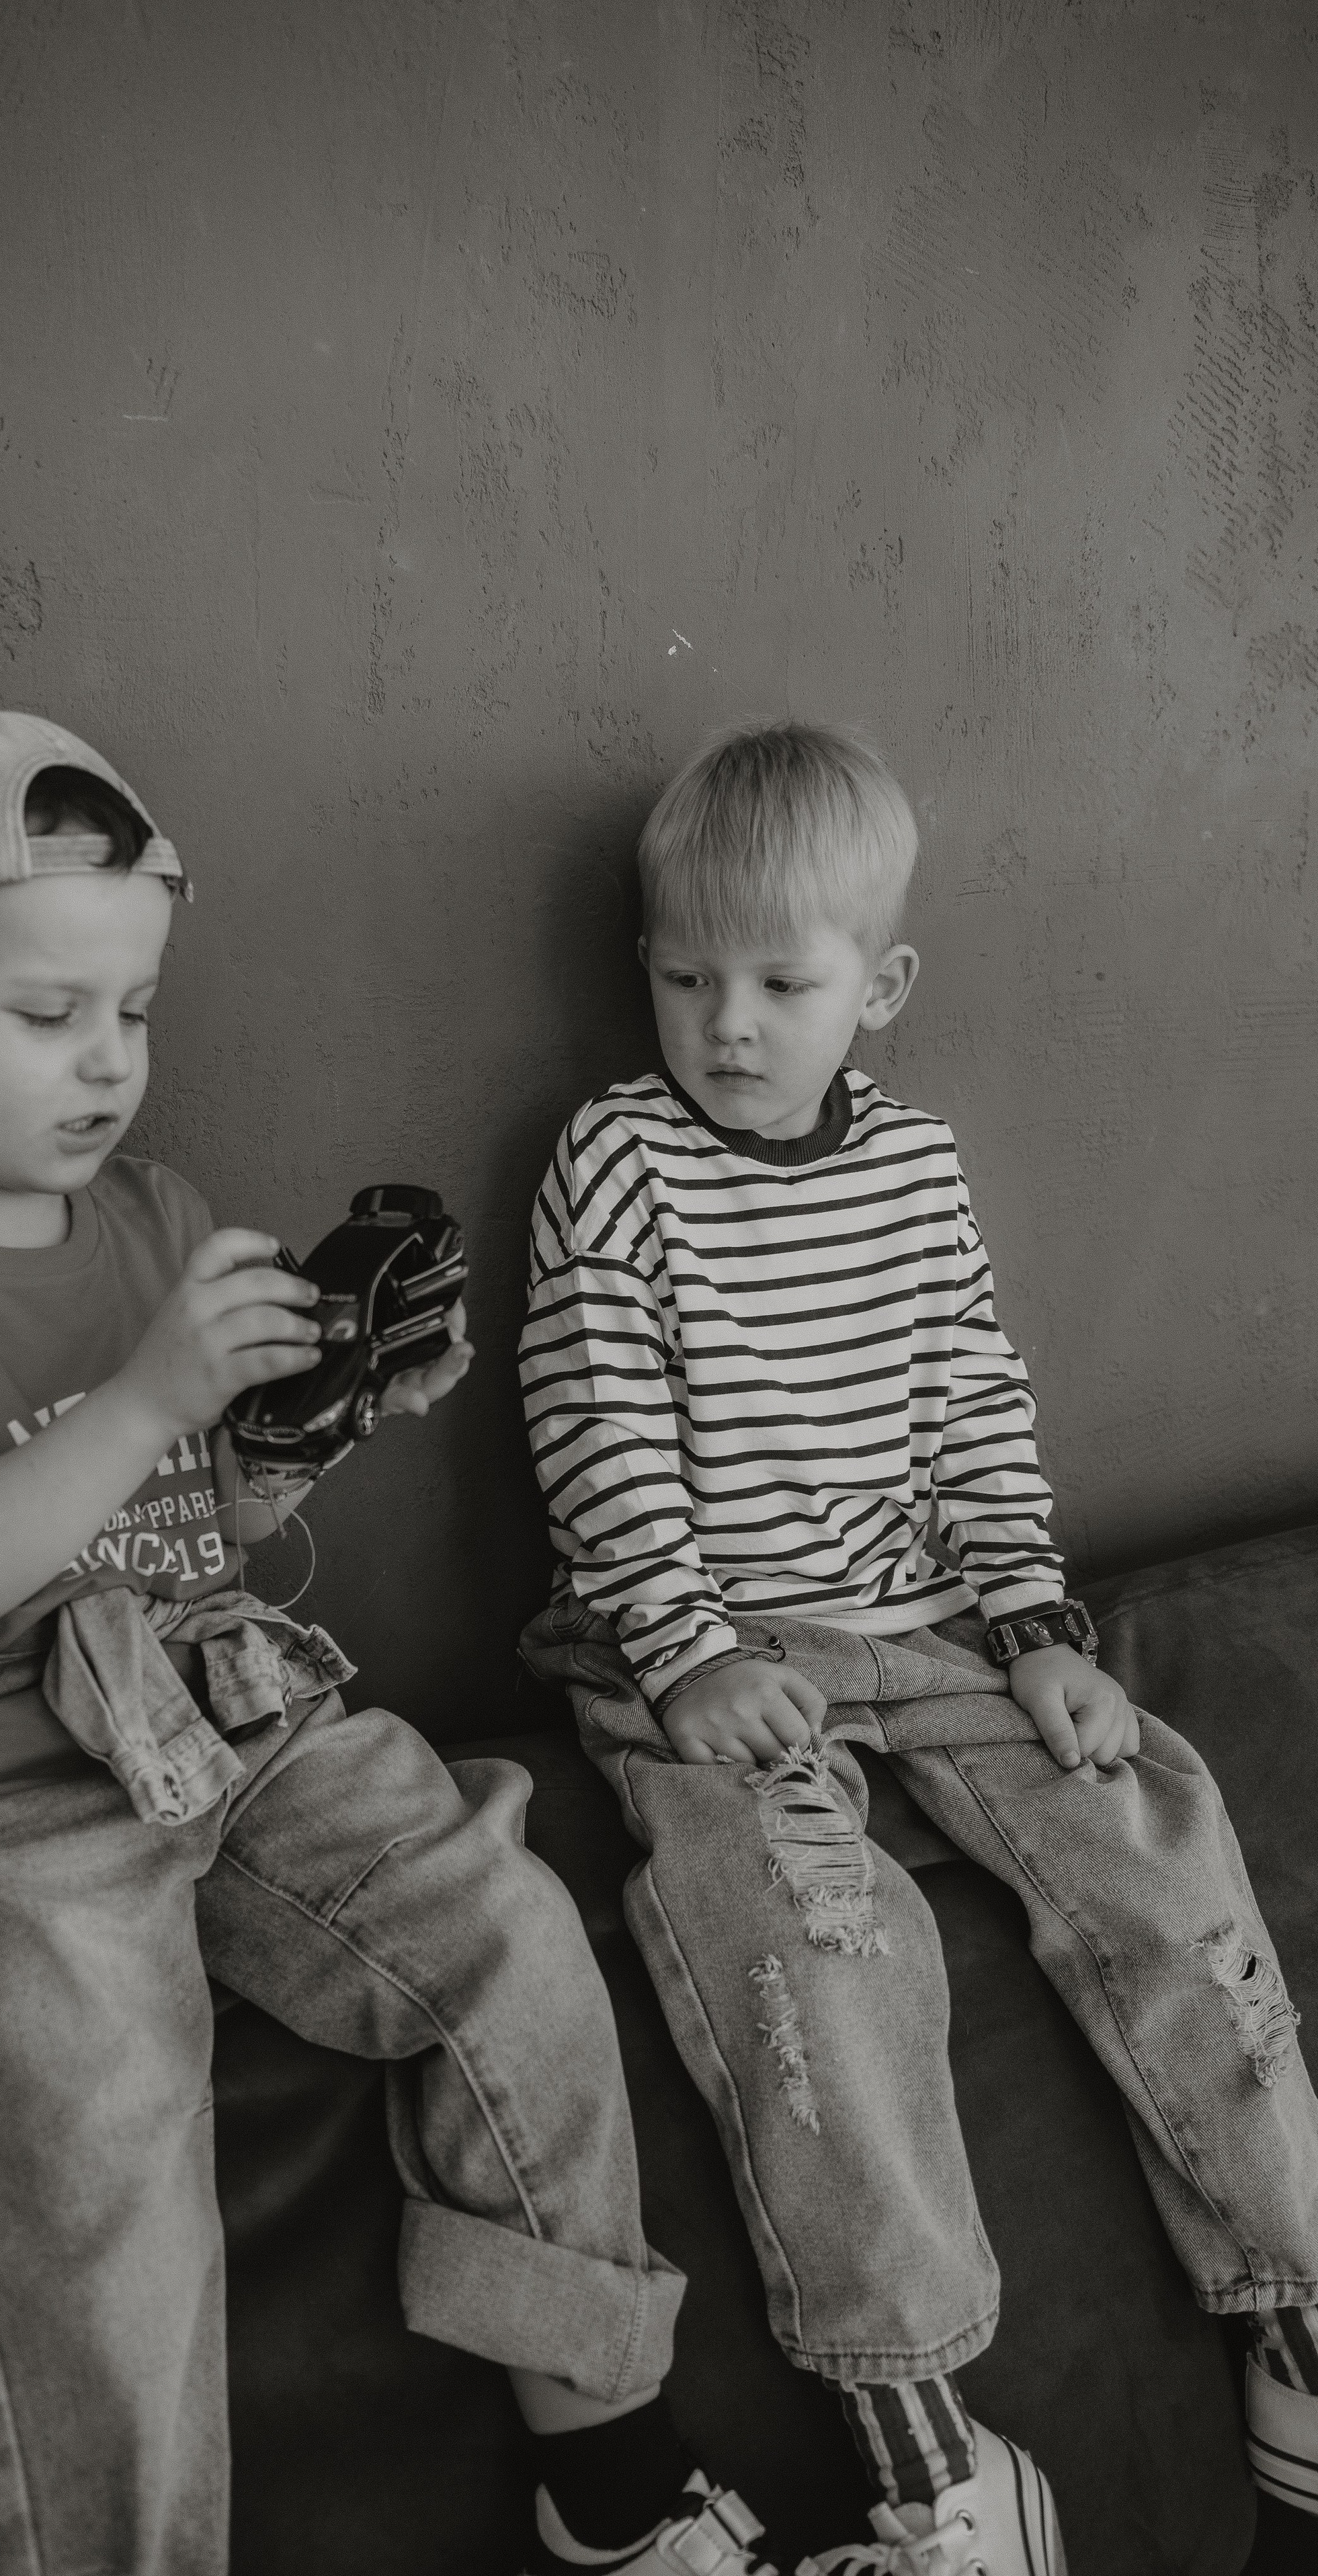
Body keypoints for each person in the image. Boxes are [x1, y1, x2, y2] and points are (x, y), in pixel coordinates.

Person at [0, 709, 780, 2576]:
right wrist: (145, 1403)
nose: (108, 1066)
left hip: (220, 1717)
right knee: (98, 2198)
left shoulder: (152, 1221)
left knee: (515, 1930)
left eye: (133, 1013)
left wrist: (303, 1424)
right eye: (49, 1012)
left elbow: (196, 1528)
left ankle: (604, 2466)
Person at [518, 721, 1318, 2575]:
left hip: (924, 1619)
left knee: (1151, 1819)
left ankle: (1293, 2315)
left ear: (875, 990)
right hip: (698, 1644)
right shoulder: (617, 1158)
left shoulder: (917, 1168)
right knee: (811, 1934)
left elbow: (975, 1408)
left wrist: (1038, 1628)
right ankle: (937, 2457)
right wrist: (688, 1650)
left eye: (779, 983)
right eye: (683, 973)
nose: (725, 1020)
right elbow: (594, 1424)